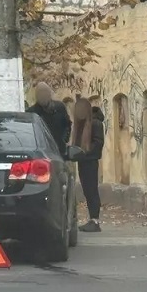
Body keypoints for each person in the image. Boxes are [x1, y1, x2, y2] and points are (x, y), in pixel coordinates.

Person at [70, 98, 105, 233]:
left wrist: (85, 153)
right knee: (87, 190)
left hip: (90, 162)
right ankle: (92, 219)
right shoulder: (81, 124)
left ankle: (95, 220)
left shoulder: (95, 124)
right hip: (83, 162)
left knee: (91, 191)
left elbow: (98, 144)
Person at [27, 82, 72, 153]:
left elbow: (67, 124)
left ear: (49, 94)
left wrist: (64, 139)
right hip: (41, 151)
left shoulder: (60, 108)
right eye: (40, 94)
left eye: (45, 93)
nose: (43, 96)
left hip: (59, 149)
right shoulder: (32, 112)